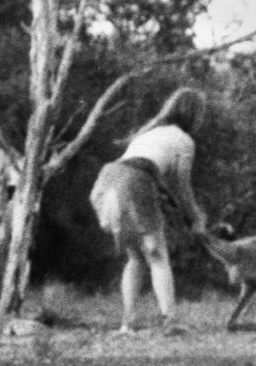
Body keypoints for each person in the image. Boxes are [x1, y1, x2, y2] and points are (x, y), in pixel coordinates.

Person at [89, 87, 207, 333]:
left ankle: (127, 324)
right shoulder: (184, 141)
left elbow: (162, 181)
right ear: (195, 115)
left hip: (107, 179)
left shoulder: (151, 133)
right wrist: (195, 217)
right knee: (157, 255)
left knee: (135, 257)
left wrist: (177, 207)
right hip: (135, 180)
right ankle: (169, 322)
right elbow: (183, 187)